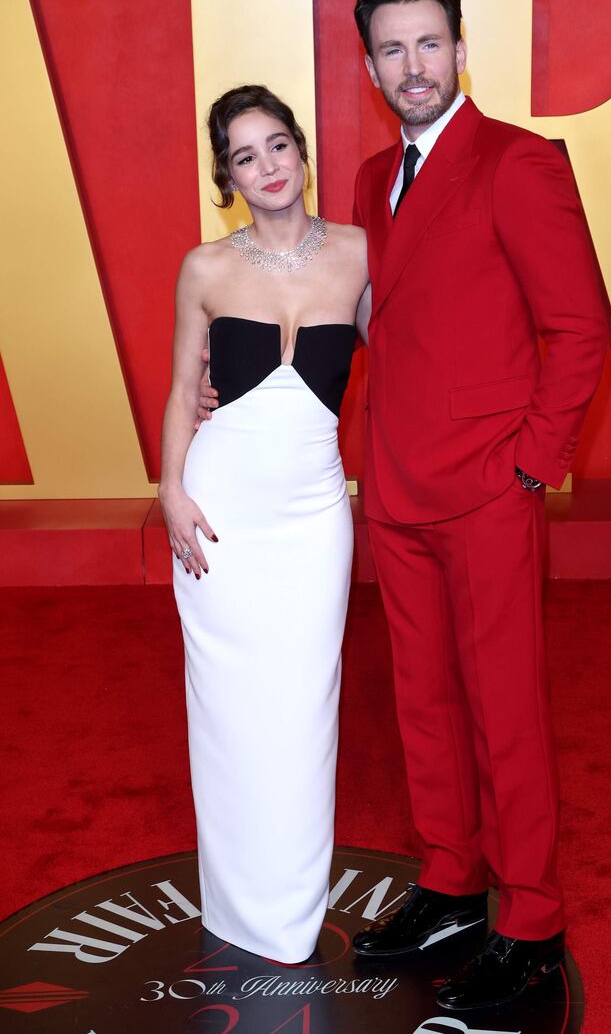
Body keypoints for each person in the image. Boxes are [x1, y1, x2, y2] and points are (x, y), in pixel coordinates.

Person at [199, 0, 607, 1009]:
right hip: (394, 485)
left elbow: (576, 329)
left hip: (487, 490)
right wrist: (235, 381)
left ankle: (527, 921)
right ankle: (449, 880)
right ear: (371, 65)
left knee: (503, 708)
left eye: (428, 44)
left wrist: (529, 463)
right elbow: (366, 321)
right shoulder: (371, 177)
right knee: (422, 703)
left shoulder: (516, 162)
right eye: (391, 49)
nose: (412, 66)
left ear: (459, 50)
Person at [160, 84, 369, 963]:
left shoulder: (361, 253)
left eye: (278, 145)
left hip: (316, 512)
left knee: (305, 705)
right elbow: (181, 389)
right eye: (246, 156)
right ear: (227, 176)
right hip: (221, 510)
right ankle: (237, 908)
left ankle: (289, 913)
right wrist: (170, 489)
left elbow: (413, 355)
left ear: (301, 150)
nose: (269, 166)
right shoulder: (205, 267)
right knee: (227, 708)